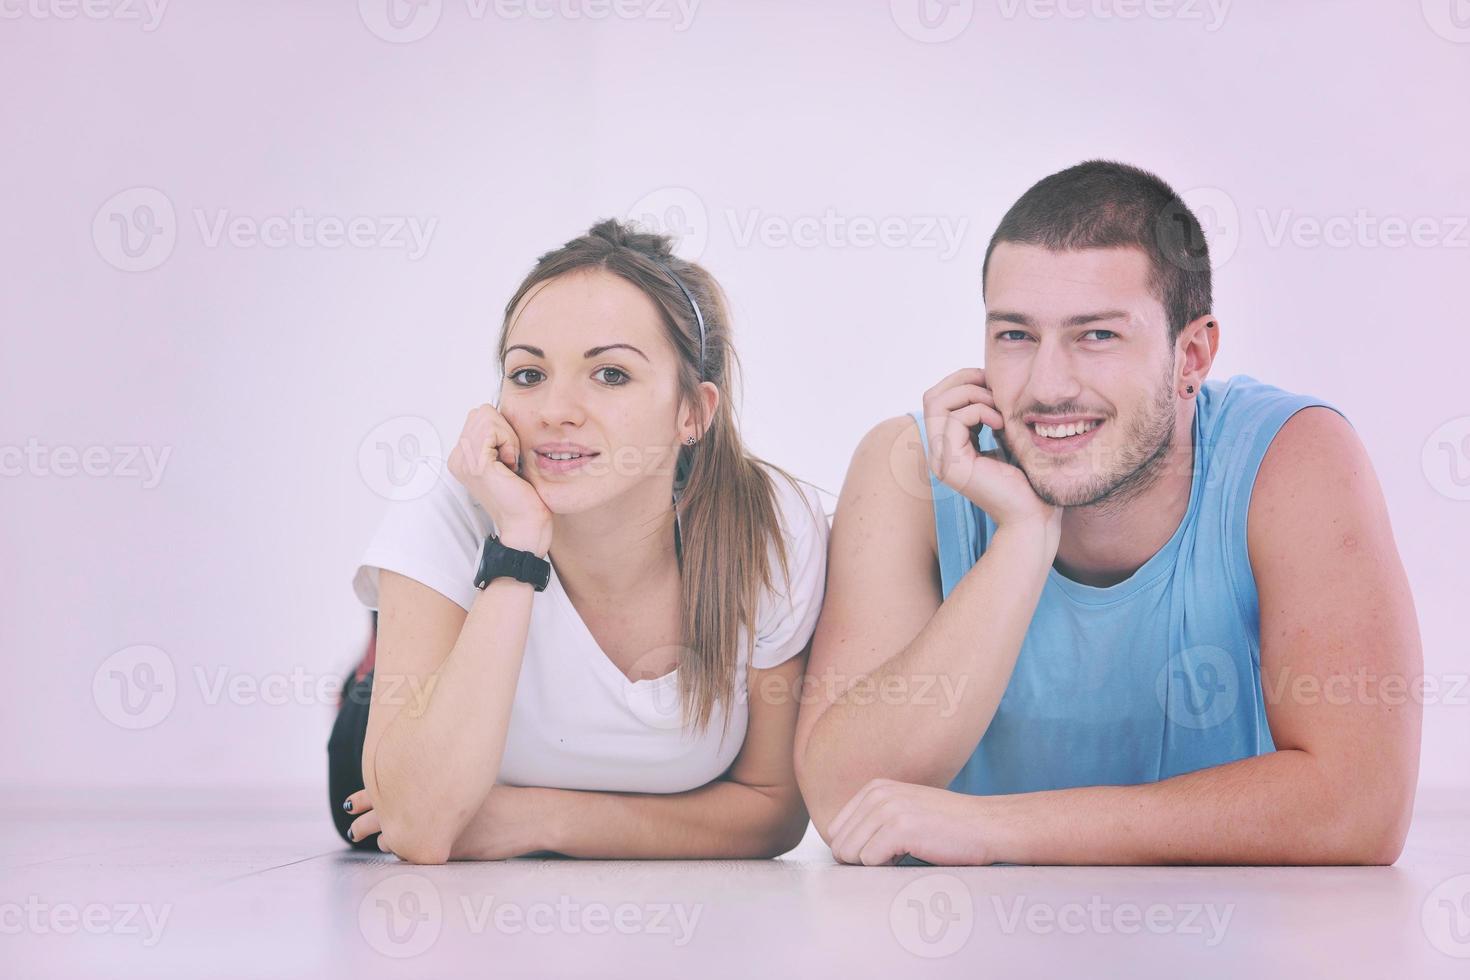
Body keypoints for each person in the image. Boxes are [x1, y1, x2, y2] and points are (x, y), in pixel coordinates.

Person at [794, 160, 1421, 866]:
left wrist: (999, 829)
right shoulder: (910, 466)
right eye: (1015, 336)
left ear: (1192, 354)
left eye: (1097, 336)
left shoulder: (1292, 457)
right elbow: (842, 803)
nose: (1048, 386)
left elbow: (1360, 806)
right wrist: (1025, 537)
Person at [329, 219, 829, 864]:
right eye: (528, 375)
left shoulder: (772, 527)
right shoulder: (450, 501)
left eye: (611, 375)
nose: (553, 410)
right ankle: (390, 634)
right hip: (407, 728)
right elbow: (419, 825)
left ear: (694, 413)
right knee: (384, 728)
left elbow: (771, 809)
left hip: (504, 800)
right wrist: (519, 542)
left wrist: (542, 819)